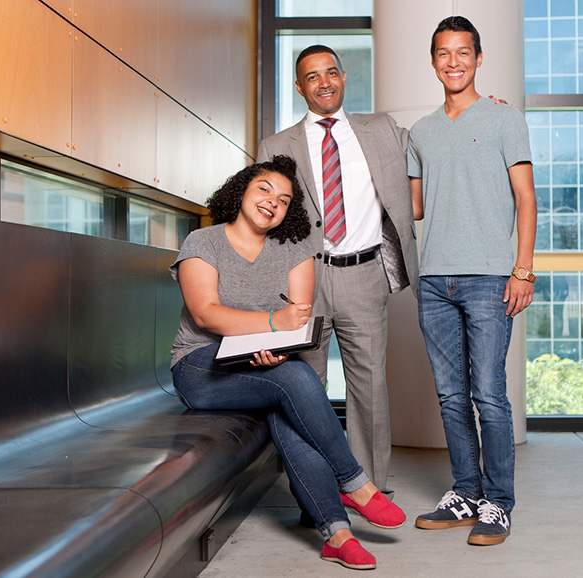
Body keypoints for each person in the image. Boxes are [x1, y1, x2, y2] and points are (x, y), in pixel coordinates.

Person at [169, 155, 406, 570]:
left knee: (288, 403)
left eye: (283, 200)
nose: (272, 202)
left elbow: (299, 320)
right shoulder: (202, 242)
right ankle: (353, 480)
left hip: (263, 368)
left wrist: (275, 341)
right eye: (263, 189)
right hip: (201, 367)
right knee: (294, 378)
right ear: (241, 189)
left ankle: (338, 534)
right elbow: (206, 314)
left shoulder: (295, 251)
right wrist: (271, 325)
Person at [256, 45, 418, 495]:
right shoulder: (275, 146)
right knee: (305, 388)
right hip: (302, 279)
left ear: (344, 77)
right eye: (312, 76)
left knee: (369, 388)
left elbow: (434, 144)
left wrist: (479, 109)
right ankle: (317, 493)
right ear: (299, 86)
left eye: (331, 73)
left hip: (364, 275)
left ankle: (370, 490)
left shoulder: (382, 129)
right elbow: (263, 217)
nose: (324, 82)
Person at [407, 16, 537, 547]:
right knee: (450, 396)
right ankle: (464, 493)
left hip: (489, 278)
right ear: (433, 61)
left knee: (489, 395)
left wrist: (522, 269)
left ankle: (498, 503)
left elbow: (527, 198)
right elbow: (413, 205)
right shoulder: (419, 132)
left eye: (464, 52)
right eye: (444, 53)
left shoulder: (506, 120)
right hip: (434, 279)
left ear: (479, 59)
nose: (454, 61)